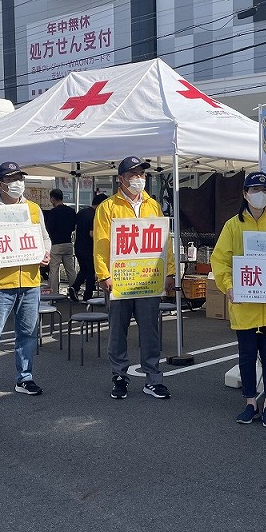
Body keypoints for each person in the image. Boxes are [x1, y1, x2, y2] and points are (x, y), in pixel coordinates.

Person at [211, 172, 266, 428]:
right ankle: (251, 403)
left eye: (264, 190)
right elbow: (220, 261)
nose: (259, 194)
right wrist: (228, 286)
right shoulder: (233, 225)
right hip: (245, 305)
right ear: (245, 194)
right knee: (247, 356)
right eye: (254, 190)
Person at [94, 156, 175, 400]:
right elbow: (100, 243)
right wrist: (103, 274)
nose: (139, 179)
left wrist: (170, 271)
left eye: (142, 174)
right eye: (133, 175)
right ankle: (119, 375)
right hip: (120, 279)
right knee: (118, 330)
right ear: (121, 179)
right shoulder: (108, 207)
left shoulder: (153, 205)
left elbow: (164, 241)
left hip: (148, 279)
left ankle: (153, 378)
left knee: (150, 330)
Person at [0, 161, 51, 402]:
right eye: (11, 179)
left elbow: (44, 238)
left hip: (29, 280)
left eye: (19, 178)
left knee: (27, 333)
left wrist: (45, 253)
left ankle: (24, 378)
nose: (17, 183)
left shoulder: (34, 208)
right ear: (0, 184)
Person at [71, 193, 107, 301]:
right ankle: (88, 295)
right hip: (90, 248)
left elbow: (75, 227)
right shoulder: (96, 215)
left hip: (78, 246)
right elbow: (92, 233)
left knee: (84, 270)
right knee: (90, 271)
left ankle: (75, 287)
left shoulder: (81, 212)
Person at [45, 188, 77, 296]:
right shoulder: (71, 211)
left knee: (54, 270)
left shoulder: (53, 212)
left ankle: (53, 293)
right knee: (70, 269)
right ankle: (74, 290)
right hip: (68, 243)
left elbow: (49, 228)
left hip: (56, 244)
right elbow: (73, 227)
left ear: (53, 198)